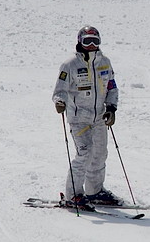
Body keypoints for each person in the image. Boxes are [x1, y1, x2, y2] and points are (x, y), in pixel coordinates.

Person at [52, 25, 122, 206]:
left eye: (95, 41)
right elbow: (60, 90)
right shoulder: (70, 65)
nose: (91, 45)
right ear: (79, 42)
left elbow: (112, 87)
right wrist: (60, 102)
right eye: (87, 41)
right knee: (84, 153)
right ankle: (73, 195)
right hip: (79, 118)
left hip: (99, 118)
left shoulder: (105, 62)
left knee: (99, 154)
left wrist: (111, 108)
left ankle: (94, 191)